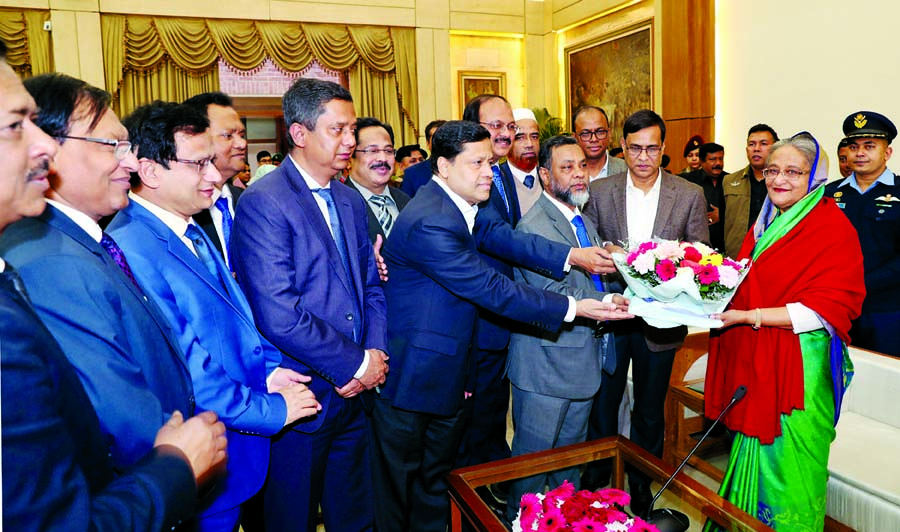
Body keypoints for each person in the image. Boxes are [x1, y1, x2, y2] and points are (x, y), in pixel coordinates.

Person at [0, 43, 227, 532]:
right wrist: (176, 460)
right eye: (113, 145)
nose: (129, 162)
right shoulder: (51, 262)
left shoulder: (92, 240)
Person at [371, 120, 632, 532]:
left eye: (490, 163)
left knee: (435, 481)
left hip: (448, 368)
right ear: (442, 166)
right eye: (476, 163)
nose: (487, 173)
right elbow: (492, 289)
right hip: (414, 374)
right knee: (398, 488)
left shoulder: (463, 206)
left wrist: (572, 258)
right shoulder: (431, 219)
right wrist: (573, 308)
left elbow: (507, 242)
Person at [107, 100, 321, 531]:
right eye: (198, 163)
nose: (213, 174)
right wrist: (273, 409)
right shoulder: (131, 247)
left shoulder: (189, 227)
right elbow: (187, 365)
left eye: (211, 160)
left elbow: (234, 318)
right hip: (198, 448)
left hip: (231, 450)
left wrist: (268, 371)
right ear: (149, 171)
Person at [232, 78, 388, 532]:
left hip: (357, 396)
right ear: (299, 135)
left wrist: (374, 357)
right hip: (303, 397)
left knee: (356, 516)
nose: (350, 141)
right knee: (291, 519)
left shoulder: (349, 198)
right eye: (337, 130)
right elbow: (278, 312)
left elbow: (372, 287)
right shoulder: (264, 201)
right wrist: (353, 365)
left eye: (352, 129)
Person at [705, 132, 865, 530]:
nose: (780, 179)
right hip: (760, 361)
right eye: (773, 170)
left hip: (800, 371)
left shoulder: (831, 225)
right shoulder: (765, 224)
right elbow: (740, 280)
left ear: (814, 178)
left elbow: (827, 309)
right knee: (755, 460)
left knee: (792, 470)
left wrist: (750, 317)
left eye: (793, 172)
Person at [582, 109, 708, 514]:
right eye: (635, 148)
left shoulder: (688, 194)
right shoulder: (600, 190)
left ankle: (641, 485)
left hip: (663, 320)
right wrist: (609, 256)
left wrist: (668, 267)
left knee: (650, 411)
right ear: (623, 147)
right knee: (604, 405)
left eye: (652, 148)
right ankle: (598, 484)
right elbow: (585, 246)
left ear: (663, 149)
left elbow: (701, 259)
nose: (643, 157)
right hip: (611, 314)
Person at [504, 135, 625, 522]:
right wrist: (605, 304)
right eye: (566, 167)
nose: (578, 175)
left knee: (567, 471)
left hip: (581, 363)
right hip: (545, 367)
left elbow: (596, 281)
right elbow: (546, 293)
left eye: (582, 167)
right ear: (544, 174)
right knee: (530, 469)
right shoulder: (533, 225)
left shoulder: (582, 219)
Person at [825, 111, 900, 358]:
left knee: (884, 384)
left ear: (886, 153)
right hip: (836, 308)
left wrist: (860, 285)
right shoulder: (829, 194)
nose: (859, 153)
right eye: (854, 146)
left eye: (869, 146)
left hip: (887, 311)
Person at [183, 92, 248, 268]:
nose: (242, 144)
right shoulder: (183, 209)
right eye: (228, 135)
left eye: (241, 134)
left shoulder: (247, 200)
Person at [344, 117, 411, 243]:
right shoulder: (338, 205)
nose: (382, 158)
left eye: (388, 151)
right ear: (349, 159)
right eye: (372, 151)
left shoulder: (406, 201)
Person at [722, 124, 779, 258]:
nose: (756, 149)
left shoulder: (784, 182)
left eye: (763, 144)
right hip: (736, 260)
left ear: (776, 148)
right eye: (752, 144)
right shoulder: (729, 181)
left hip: (772, 255)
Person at [683, 142, 727, 251]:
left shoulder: (731, 181)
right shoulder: (688, 181)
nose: (718, 163)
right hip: (696, 247)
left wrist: (722, 214)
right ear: (702, 161)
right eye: (713, 159)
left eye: (720, 159)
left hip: (725, 245)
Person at [502, 107, 543, 215]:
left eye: (534, 137)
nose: (529, 144)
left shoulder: (549, 177)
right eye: (520, 138)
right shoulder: (497, 180)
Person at [572, 105, 626, 182]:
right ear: (574, 137)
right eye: (586, 134)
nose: (594, 139)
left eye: (600, 132)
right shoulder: (565, 174)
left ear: (609, 134)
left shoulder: (626, 170)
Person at [399, 118, 446, 197]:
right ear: (428, 143)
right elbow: (407, 206)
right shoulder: (413, 173)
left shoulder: (463, 168)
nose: (442, 142)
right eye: (436, 138)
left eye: (446, 137)